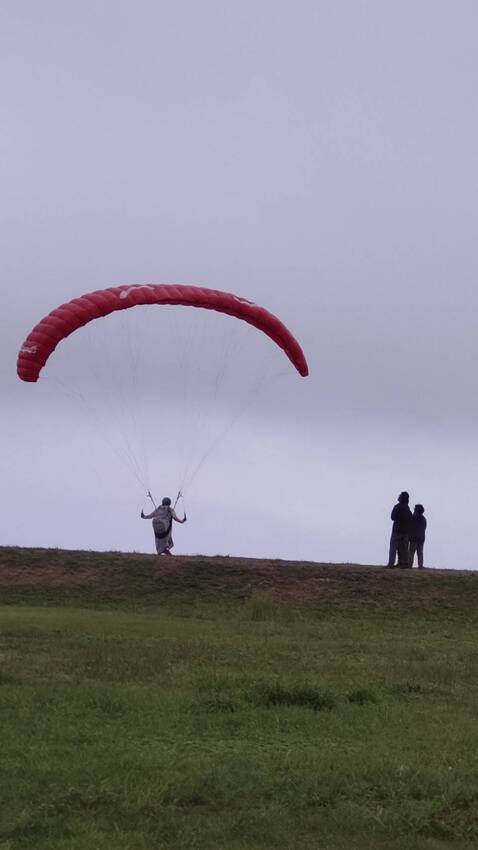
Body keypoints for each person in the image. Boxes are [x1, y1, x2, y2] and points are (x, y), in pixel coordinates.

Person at [388, 491, 412, 568]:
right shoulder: (408, 508)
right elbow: (410, 519)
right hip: (405, 532)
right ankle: (402, 563)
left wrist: (399, 519)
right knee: (403, 549)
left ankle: (391, 563)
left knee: (393, 547)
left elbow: (392, 517)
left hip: (397, 530)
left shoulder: (397, 506)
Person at [409, 504, 427, 569]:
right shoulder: (424, 519)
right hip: (421, 538)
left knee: (411, 553)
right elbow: (424, 528)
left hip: (413, 538)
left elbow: (410, 527)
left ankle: (409, 565)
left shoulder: (413, 518)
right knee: (420, 553)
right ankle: (420, 565)